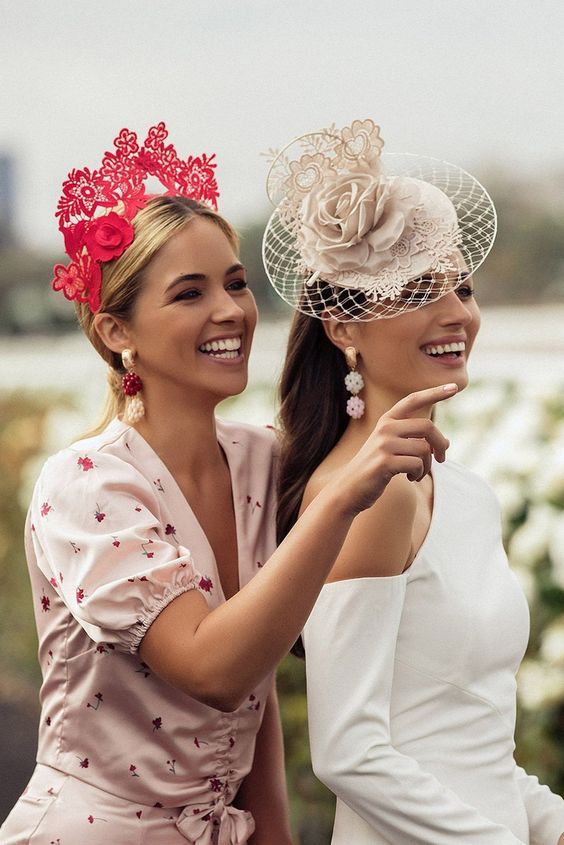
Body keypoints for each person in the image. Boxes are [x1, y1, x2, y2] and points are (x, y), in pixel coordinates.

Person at [0, 122, 456, 845]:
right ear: (117, 330)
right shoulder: (83, 485)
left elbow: (258, 679)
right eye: (189, 293)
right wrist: (339, 500)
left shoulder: (260, 459)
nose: (229, 311)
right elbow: (213, 666)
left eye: (236, 283)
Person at [265, 118, 564, 844]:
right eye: (419, 290)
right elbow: (350, 753)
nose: (457, 313)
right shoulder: (364, 500)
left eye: (462, 286)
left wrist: (547, 819)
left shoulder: (461, 490)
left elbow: (474, 746)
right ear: (342, 326)